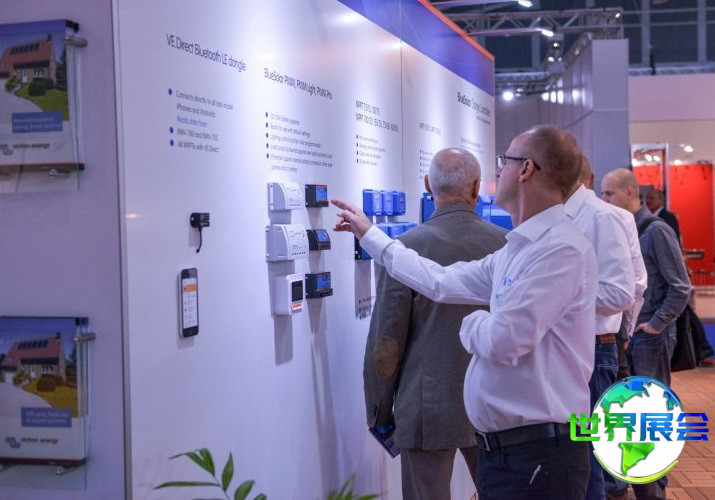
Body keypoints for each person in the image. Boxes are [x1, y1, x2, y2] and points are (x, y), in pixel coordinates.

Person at [333, 125, 598, 499]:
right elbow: (440, 281)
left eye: (504, 161)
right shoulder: (518, 248)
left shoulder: (560, 249)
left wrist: (474, 321)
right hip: (509, 449)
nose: (497, 171)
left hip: (539, 453)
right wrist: (370, 235)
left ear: (526, 169)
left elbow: (506, 338)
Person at [365, 148, 507, 499]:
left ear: (428, 185)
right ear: (477, 187)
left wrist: (379, 411)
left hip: (426, 404)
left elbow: (387, 341)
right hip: (494, 399)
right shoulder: (506, 246)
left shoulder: (403, 248)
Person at [601, 168, 690, 500]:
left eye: (609, 193)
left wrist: (655, 324)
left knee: (651, 415)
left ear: (630, 192)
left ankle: (655, 488)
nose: (604, 200)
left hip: (650, 338)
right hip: (628, 338)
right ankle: (625, 481)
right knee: (625, 414)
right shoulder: (621, 230)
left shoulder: (656, 231)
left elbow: (680, 287)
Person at [563, 155, 639, 500]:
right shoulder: (564, 217)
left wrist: (628, 332)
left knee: (589, 454)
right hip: (578, 348)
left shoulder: (604, 218)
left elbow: (627, 290)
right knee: (579, 452)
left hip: (595, 347)